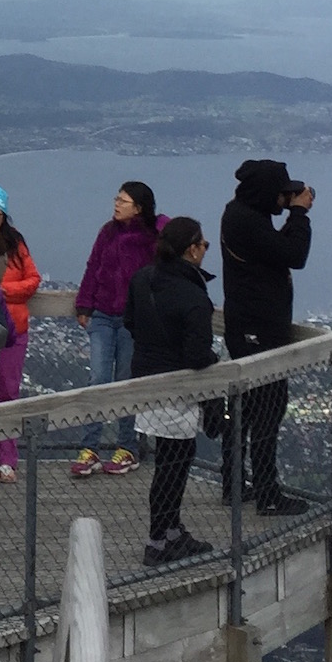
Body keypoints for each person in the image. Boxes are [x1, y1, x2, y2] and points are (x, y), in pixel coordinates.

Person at [218, 158, 315, 517]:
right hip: (259, 329)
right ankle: (267, 494)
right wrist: (299, 215)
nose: (284, 198)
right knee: (268, 411)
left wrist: (290, 212)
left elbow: (276, 252)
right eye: (281, 192)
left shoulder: (239, 215)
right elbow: (294, 255)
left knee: (244, 409)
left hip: (247, 326)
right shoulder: (247, 221)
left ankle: (233, 484)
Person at [126, 215, 218, 567]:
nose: (206, 249)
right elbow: (197, 354)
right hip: (178, 386)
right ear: (191, 250)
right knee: (174, 463)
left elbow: (131, 322)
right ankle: (159, 538)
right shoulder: (193, 296)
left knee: (171, 460)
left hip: (146, 379)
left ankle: (171, 530)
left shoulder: (143, 279)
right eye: (204, 244)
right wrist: (212, 357)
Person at [71, 182, 163, 479]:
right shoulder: (107, 232)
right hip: (101, 314)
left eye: (123, 201)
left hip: (131, 319)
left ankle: (127, 448)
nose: (116, 204)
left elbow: (164, 261)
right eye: (117, 199)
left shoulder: (151, 237)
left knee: (125, 380)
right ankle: (89, 449)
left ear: (139, 207)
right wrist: (84, 305)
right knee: (98, 378)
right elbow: (93, 266)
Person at [0, 185, 38, 482]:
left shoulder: (16, 243)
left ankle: (9, 458)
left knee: (8, 393)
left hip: (14, 330)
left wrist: (1, 292)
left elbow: (33, 280)